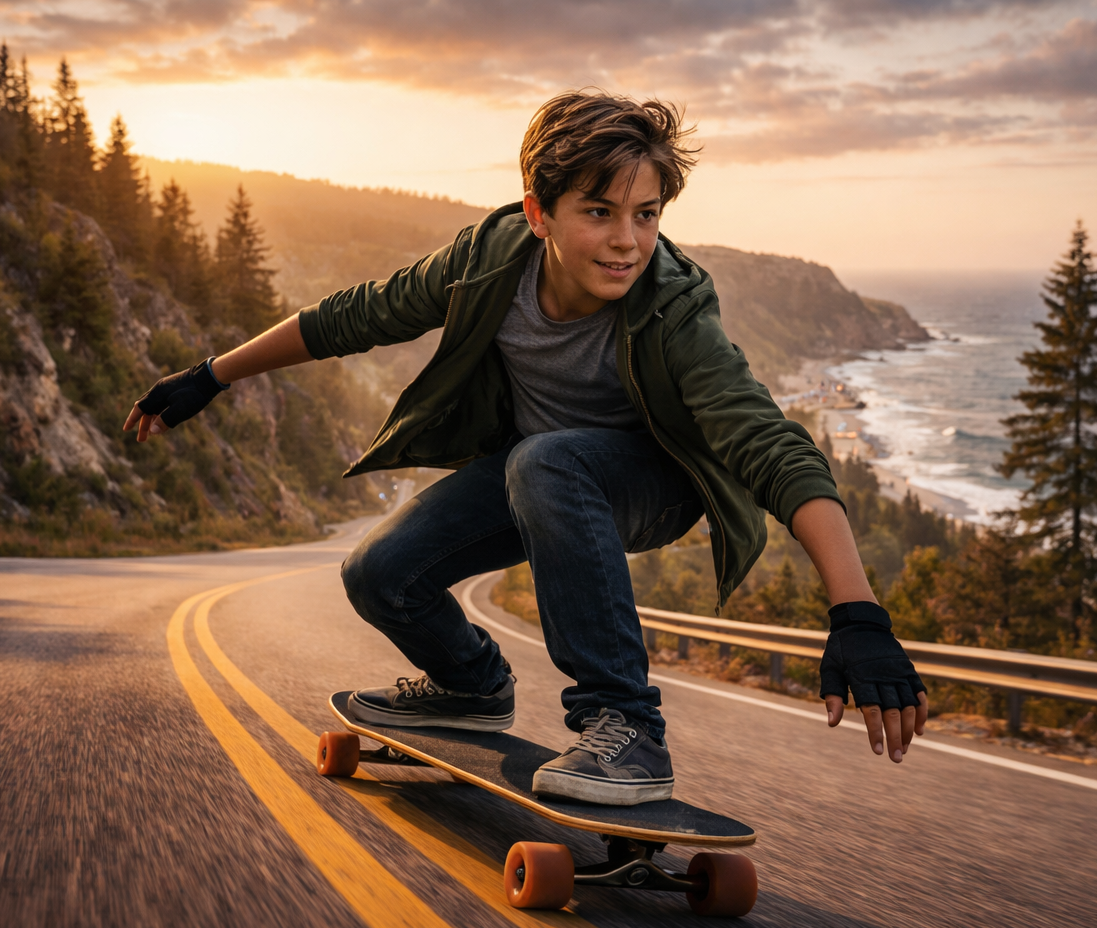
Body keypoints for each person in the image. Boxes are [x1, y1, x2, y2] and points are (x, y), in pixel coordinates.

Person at [124, 90, 928, 806]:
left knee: (548, 461)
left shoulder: (674, 309)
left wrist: (857, 613)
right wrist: (212, 375)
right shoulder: (487, 262)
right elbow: (354, 316)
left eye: (646, 214)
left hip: (649, 485)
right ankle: (471, 685)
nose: (627, 242)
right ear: (538, 212)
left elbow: (769, 444)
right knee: (379, 574)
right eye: (599, 212)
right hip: (533, 475)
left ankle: (628, 729)